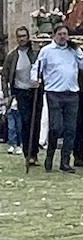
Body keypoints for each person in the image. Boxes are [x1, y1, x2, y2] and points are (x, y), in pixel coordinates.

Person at [31, 25, 83, 174]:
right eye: (60, 34)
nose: (63, 37)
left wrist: (78, 50)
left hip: (71, 93)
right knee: (55, 127)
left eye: (65, 34)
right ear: (54, 35)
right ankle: (50, 155)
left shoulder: (73, 50)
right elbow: (37, 67)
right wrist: (35, 79)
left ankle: (65, 161)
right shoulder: (47, 51)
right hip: (54, 93)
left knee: (71, 129)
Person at [3, 26, 39, 160]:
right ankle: (28, 153)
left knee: (35, 122)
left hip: (35, 91)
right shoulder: (12, 56)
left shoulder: (35, 53)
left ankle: (34, 152)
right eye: (19, 36)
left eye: (24, 36)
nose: (22, 39)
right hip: (20, 92)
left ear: (28, 37)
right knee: (25, 121)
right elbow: (5, 76)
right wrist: (7, 95)